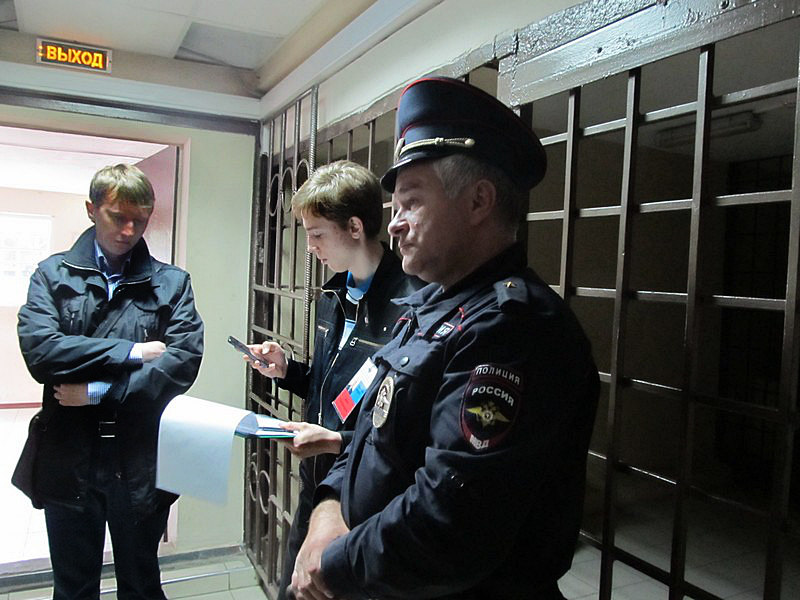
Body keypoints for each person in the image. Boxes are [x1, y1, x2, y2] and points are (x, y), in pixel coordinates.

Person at [289, 77, 600, 600]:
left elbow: (451, 522)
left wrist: (333, 563)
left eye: (410, 203)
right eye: (394, 208)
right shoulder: (429, 309)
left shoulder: (511, 329)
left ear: (478, 201)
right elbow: (367, 434)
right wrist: (325, 510)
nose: (394, 225)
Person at [17, 164, 204, 600]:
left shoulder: (172, 284)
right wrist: (132, 352)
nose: (129, 230)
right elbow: (42, 352)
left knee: (141, 585)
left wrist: (98, 391)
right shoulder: (52, 275)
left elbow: (181, 363)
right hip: (68, 452)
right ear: (91, 209)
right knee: (73, 588)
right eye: (118, 217)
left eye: (141, 219)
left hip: (139, 455)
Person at [242, 160, 422, 600]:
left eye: (317, 234)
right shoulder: (332, 293)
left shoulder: (411, 303)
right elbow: (337, 389)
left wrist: (337, 441)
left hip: (366, 492)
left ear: (355, 227)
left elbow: (406, 425)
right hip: (316, 480)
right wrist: (288, 371)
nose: (310, 247)